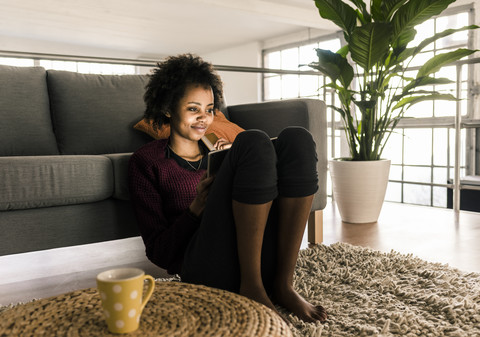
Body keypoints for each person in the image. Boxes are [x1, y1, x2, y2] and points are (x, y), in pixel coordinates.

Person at [128, 54, 327, 322]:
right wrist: (195, 208)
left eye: (209, 109)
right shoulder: (146, 162)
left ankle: (283, 284)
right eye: (193, 109)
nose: (204, 118)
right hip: (204, 267)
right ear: (167, 108)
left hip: (255, 252)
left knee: (298, 138)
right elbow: (159, 253)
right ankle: (252, 287)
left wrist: (236, 163)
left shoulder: (217, 151)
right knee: (253, 141)